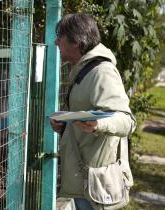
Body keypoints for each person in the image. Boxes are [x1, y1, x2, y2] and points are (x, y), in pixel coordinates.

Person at [50, 13, 136, 210]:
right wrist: (65, 125)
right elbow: (88, 113)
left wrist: (99, 124)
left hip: (94, 186)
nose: (56, 42)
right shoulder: (84, 69)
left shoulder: (102, 72)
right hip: (82, 183)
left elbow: (126, 120)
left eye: (60, 37)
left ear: (77, 42)